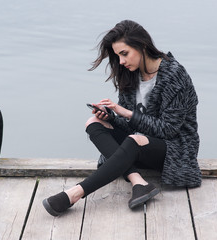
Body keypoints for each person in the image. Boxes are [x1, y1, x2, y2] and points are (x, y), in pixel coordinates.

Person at [42, 20, 201, 216]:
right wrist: (110, 117)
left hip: (174, 150)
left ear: (142, 46)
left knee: (134, 140)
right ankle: (138, 181)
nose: (121, 62)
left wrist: (126, 113)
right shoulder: (130, 74)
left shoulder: (174, 75)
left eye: (124, 54)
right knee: (94, 123)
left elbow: (168, 130)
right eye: (118, 56)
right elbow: (129, 125)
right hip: (138, 143)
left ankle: (75, 193)